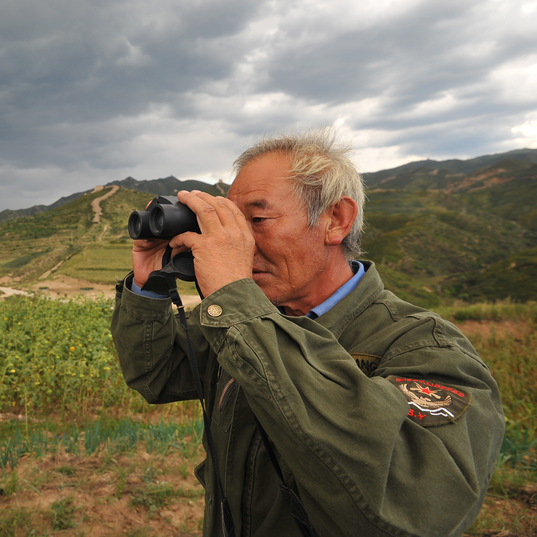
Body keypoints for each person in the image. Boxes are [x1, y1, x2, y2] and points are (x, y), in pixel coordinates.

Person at [110, 128, 505, 537]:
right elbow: (157, 376)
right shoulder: (244, 319)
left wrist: (237, 303)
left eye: (256, 221)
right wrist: (150, 286)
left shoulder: (422, 348)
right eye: (232, 223)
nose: (239, 242)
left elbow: (417, 507)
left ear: (336, 220)